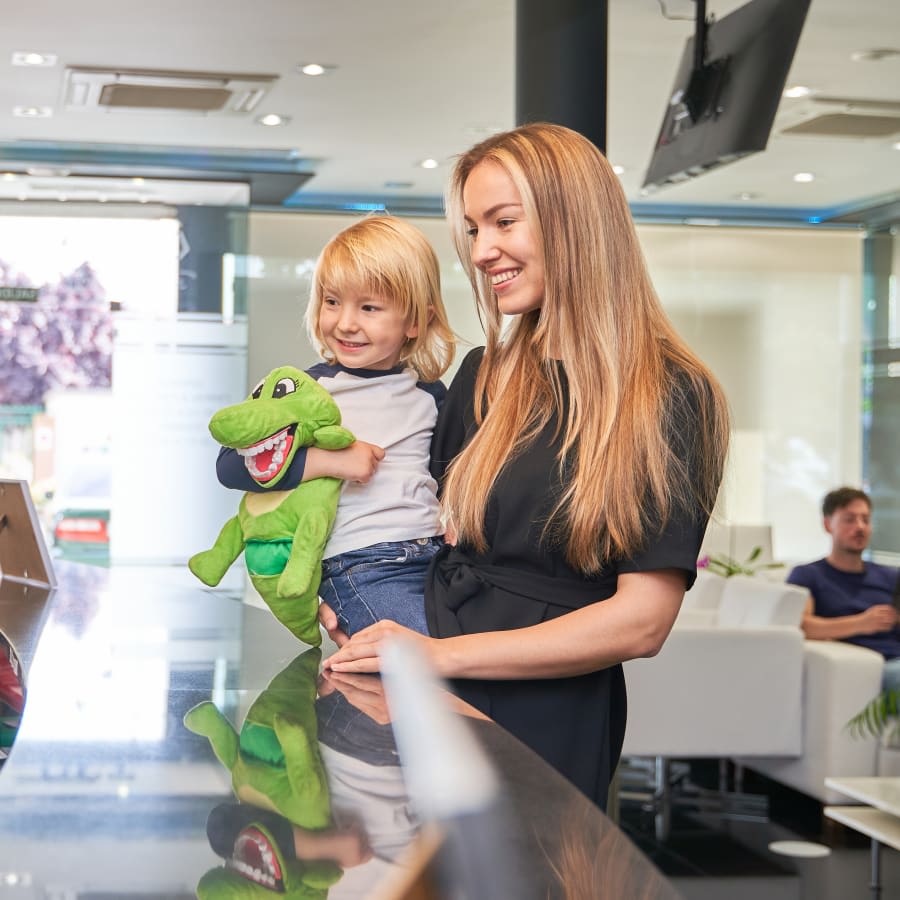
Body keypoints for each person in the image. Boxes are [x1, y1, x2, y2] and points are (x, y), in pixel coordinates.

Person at [322, 122, 730, 810]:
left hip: (543, 710)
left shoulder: (671, 393)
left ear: (576, 221)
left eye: (503, 222)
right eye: (474, 231)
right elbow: (423, 529)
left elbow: (641, 622)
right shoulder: (486, 372)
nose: (483, 252)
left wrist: (437, 658)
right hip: (421, 677)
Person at [216, 215, 456, 636]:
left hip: (434, 561)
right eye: (332, 302)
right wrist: (332, 461)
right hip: (358, 566)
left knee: (471, 655)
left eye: (369, 307)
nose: (345, 322)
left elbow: (445, 475)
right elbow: (230, 466)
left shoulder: (430, 394)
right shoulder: (303, 390)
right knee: (425, 659)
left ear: (416, 321)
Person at [787, 486, 900, 691]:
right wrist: (861, 623)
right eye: (850, 519)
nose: (860, 527)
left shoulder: (892, 576)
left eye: (865, 519)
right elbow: (801, 624)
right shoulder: (808, 575)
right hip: (880, 664)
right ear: (828, 524)